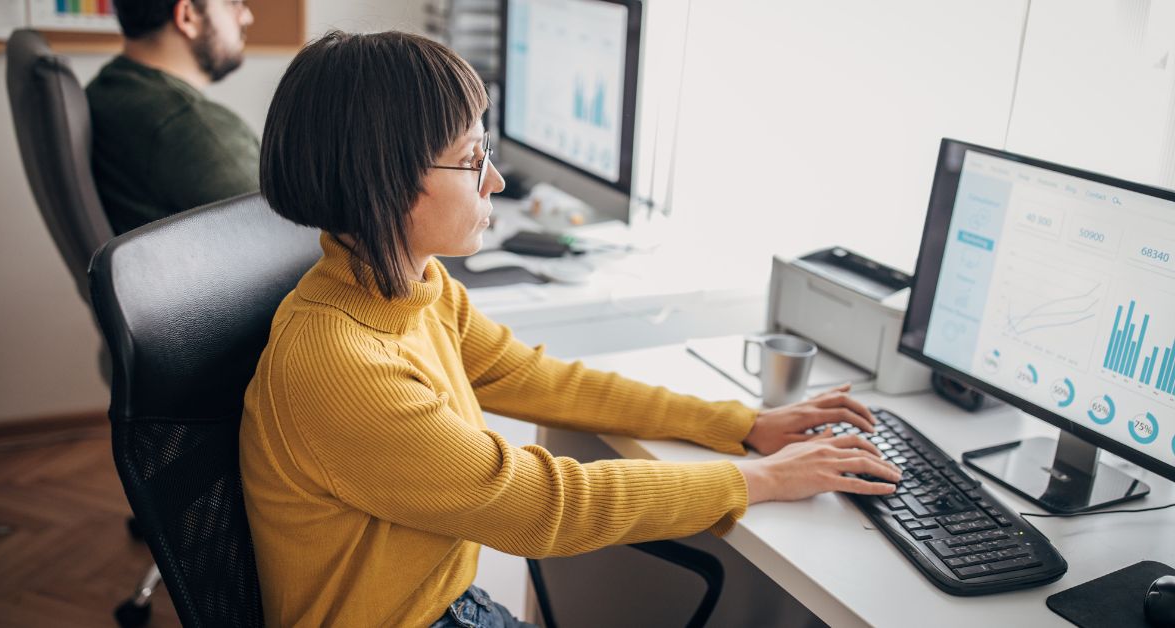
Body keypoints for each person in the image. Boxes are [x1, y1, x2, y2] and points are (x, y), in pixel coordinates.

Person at [239, 30, 902, 627]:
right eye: (471, 159)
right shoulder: (338, 364)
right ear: (387, 181)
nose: (494, 179)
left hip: (444, 605)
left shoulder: (411, 288)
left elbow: (533, 377)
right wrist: (763, 480)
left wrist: (740, 424)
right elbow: (539, 506)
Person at [86, 0, 257, 234]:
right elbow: (286, 243)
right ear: (187, 16)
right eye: (232, 4)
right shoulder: (188, 126)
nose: (246, 17)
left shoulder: (106, 89)